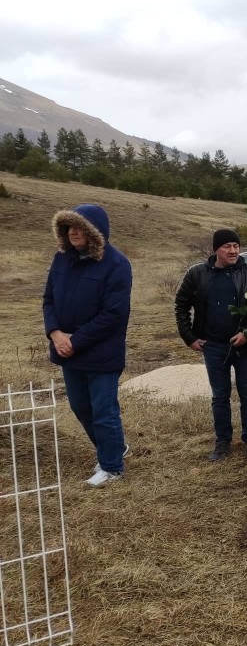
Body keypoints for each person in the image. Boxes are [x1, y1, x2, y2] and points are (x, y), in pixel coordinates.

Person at [43, 203, 132, 487]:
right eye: (69, 227)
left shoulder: (116, 264)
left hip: (101, 352)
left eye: (79, 227)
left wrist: (75, 340)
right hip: (67, 350)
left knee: (103, 411)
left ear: (95, 231)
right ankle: (114, 447)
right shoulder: (61, 259)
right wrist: (55, 333)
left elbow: (113, 314)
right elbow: (49, 300)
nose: (73, 232)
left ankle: (112, 467)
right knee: (81, 407)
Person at [175, 229, 247, 460]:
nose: (233, 250)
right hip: (213, 346)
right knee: (220, 396)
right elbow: (181, 305)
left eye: (236, 246)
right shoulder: (197, 274)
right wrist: (189, 337)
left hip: (246, 346)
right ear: (216, 249)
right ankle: (223, 441)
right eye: (227, 246)